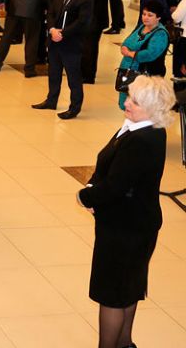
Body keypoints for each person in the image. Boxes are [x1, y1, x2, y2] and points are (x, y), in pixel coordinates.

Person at [78, 76, 171, 348]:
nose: (127, 103)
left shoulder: (141, 140)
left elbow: (116, 186)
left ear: (152, 109)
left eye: (135, 102)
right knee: (127, 288)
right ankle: (125, 344)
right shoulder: (140, 128)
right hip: (136, 222)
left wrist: (85, 196)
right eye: (130, 96)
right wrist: (94, 185)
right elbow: (109, 165)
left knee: (112, 294)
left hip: (125, 229)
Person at [32, 0, 92, 119]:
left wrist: (62, 33)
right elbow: (50, 14)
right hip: (54, 42)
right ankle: (51, 101)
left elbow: (82, 22)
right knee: (54, 74)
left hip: (72, 43)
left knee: (73, 78)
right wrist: (52, 30)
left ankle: (74, 108)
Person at [117, 2, 170, 110]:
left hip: (146, 75)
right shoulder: (142, 27)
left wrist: (130, 53)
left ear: (158, 17)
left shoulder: (161, 34)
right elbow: (127, 42)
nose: (145, 17)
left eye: (150, 15)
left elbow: (150, 54)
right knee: (126, 103)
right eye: (144, 14)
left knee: (141, 107)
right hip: (128, 72)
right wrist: (124, 47)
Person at [82, 0, 111, 85]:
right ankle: (83, 72)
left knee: (90, 48)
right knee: (86, 47)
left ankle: (88, 76)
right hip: (89, 19)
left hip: (95, 20)